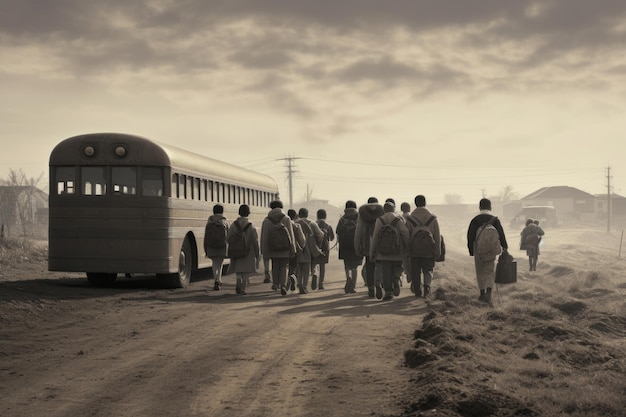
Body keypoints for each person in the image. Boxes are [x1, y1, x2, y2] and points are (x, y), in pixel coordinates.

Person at [467, 198, 508, 305]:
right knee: (490, 271)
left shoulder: (475, 220)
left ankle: (482, 293)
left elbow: (470, 236)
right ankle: (489, 293)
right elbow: (501, 234)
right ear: (490, 207)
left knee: (480, 271)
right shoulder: (495, 220)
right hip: (491, 250)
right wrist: (505, 246)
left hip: (478, 250)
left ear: (479, 207)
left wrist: (471, 250)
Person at [369, 201, 409, 301]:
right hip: (397, 250)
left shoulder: (380, 220)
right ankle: (396, 278)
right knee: (397, 267)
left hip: (383, 252)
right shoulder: (398, 219)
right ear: (394, 209)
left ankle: (388, 292)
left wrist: (372, 251)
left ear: (384, 210)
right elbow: (405, 233)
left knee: (385, 271)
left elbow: (375, 237)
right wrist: (407, 247)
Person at [406, 195, 441, 298]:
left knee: (415, 271)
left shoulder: (410, 219)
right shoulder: (433, 218)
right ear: (425, 203)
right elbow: (437, 237)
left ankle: (417, 290)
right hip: (429, 250)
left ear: (415, 204)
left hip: (414, 251)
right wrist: (437, 251)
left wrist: (408, 251)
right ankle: (427, 288)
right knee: (428, 270)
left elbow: (407, 237)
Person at [260, 200, 297, 295]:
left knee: (275, 266)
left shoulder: (267, 220)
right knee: (284, 267)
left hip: (272, 248)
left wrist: (264, 250)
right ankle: (283, 285)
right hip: (285, 248)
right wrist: (293, 248)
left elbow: (264, 237)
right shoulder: (286, 218)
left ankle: (276, 284)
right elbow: (291, 235)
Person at [355, 197, 384, 298]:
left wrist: (357, 246)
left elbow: (358, 231)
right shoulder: (382, 212)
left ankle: (371, 288)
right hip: (380, 244)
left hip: (367, 244)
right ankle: (378, 283)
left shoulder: (363, 214)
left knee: (369, 267)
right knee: (379, 266)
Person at [227, 205, 260, 295]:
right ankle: (243, 288)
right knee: (246, 271)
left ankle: (238, 280)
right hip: (248, 252)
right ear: (248, 213)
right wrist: (257, 254)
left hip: (236, 250)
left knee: (238, 270)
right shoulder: (251, 225)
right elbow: (255, 240)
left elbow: (229, 238)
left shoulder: (234, 225)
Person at [336, 200, 363, 294]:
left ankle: (348, 277)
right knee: (355, 266)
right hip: (356, 245)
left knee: (347, 265)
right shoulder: (359, 217)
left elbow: (338, 231)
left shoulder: (343, 218)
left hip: (344, 246)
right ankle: (353, 286)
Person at [295, 208, 324, 293]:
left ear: (299, 214)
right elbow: (320, 235)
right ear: (307, 214)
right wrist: (317, 243)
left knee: (299, 268)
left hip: (298, 248)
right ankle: (305, 286)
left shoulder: (295, 223)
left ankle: (299, 284)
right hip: (308, 248)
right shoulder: (312, 223)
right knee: (306, 269)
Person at [204, 204, 229, 291]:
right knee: (220, 263)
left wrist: (205, 248)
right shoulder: (224, 221)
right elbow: (228, 236)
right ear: (222, 211)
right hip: (222, 245)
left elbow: (206, 236)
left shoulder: (210, 221)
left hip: (211, 245)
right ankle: (219, 279)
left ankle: (216, 279)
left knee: (214, 263)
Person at [312, 209, 335, 290]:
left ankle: (314, 274)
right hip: (325, 248)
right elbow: (332, 238)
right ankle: (321, 283)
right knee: (322, 266)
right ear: (325, 216)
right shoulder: (328, 226)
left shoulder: (313, 224)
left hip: (315, 247)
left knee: (314, 263)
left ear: (317, 215)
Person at [287, 209, 306, 292]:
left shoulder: (283, 224)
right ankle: (293, 277)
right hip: (295, 249)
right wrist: (302, 247)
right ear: (295, 216)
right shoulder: (297, 225)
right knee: (295, 267)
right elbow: (302, 239)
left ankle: (286, 285)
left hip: (284, 249)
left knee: (285, 267)